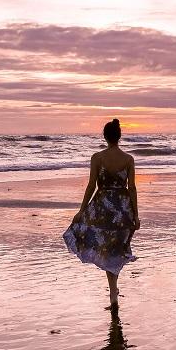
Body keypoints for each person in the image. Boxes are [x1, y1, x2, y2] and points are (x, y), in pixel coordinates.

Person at [64, 119, 140, 311]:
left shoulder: (97, 158)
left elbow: (92, 186)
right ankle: (113, 292)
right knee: (115, 250)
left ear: (104, 136)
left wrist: (82, 210)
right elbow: (132, 188)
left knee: (107, 250)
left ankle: (113, 294)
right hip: (122, 210)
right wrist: (136, 215)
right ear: (119, 137)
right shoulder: (128, 159)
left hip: (103, 209)